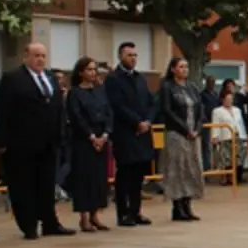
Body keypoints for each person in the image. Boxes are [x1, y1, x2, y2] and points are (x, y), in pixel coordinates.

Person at [0, 43, 73, 240]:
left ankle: (50, 222)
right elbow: (4, 111)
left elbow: (58, 108)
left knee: (47, 185)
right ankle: (28, 225)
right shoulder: (13, 79)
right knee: (24, 186)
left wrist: (61, 133)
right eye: (36, 55)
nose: (40, 59)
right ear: (26, 56)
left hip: (49, 143)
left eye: (43, 56)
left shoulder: (49, 78)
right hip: (21, 144)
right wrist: (2, 141)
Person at [104, 41, 155, 227]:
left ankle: (136, 211)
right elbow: (117, 106)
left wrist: (148, 121)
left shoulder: (140, 79)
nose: (133, 59)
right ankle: (123, 213)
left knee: (138, 175)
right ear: (120, 57)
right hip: (125, 133)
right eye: (129, 55)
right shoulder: (113, 79)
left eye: (135, 55)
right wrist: (136, 122)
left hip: (142, 134)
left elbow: (151, 102)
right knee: (125, 174)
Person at [65, 57, 113, 232]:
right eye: (89, 70)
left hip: (102, 139)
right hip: (84, 142)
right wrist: (91, 136)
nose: (93, 73)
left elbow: (109, 112)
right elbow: (77, 117)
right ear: (81, 72)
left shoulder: (100, 91)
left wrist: (105, 134)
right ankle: (84, 217)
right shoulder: (75, 93)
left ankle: (95, 214)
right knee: (84, 178)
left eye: (94, 70)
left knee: (99, 179)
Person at [158, 57, 205, 222]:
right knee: (177, 169)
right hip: (176, 134)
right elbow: (167, 110)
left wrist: (197, 129)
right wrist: (185, 129)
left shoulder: (192, 87)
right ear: (173, 69)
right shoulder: (167, 87)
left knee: (191, 169)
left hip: (193, 135)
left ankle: (188, 204)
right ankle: (177, 207)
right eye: (181, 67)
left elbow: (201, 111)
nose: (184, 70)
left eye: (186, 66)